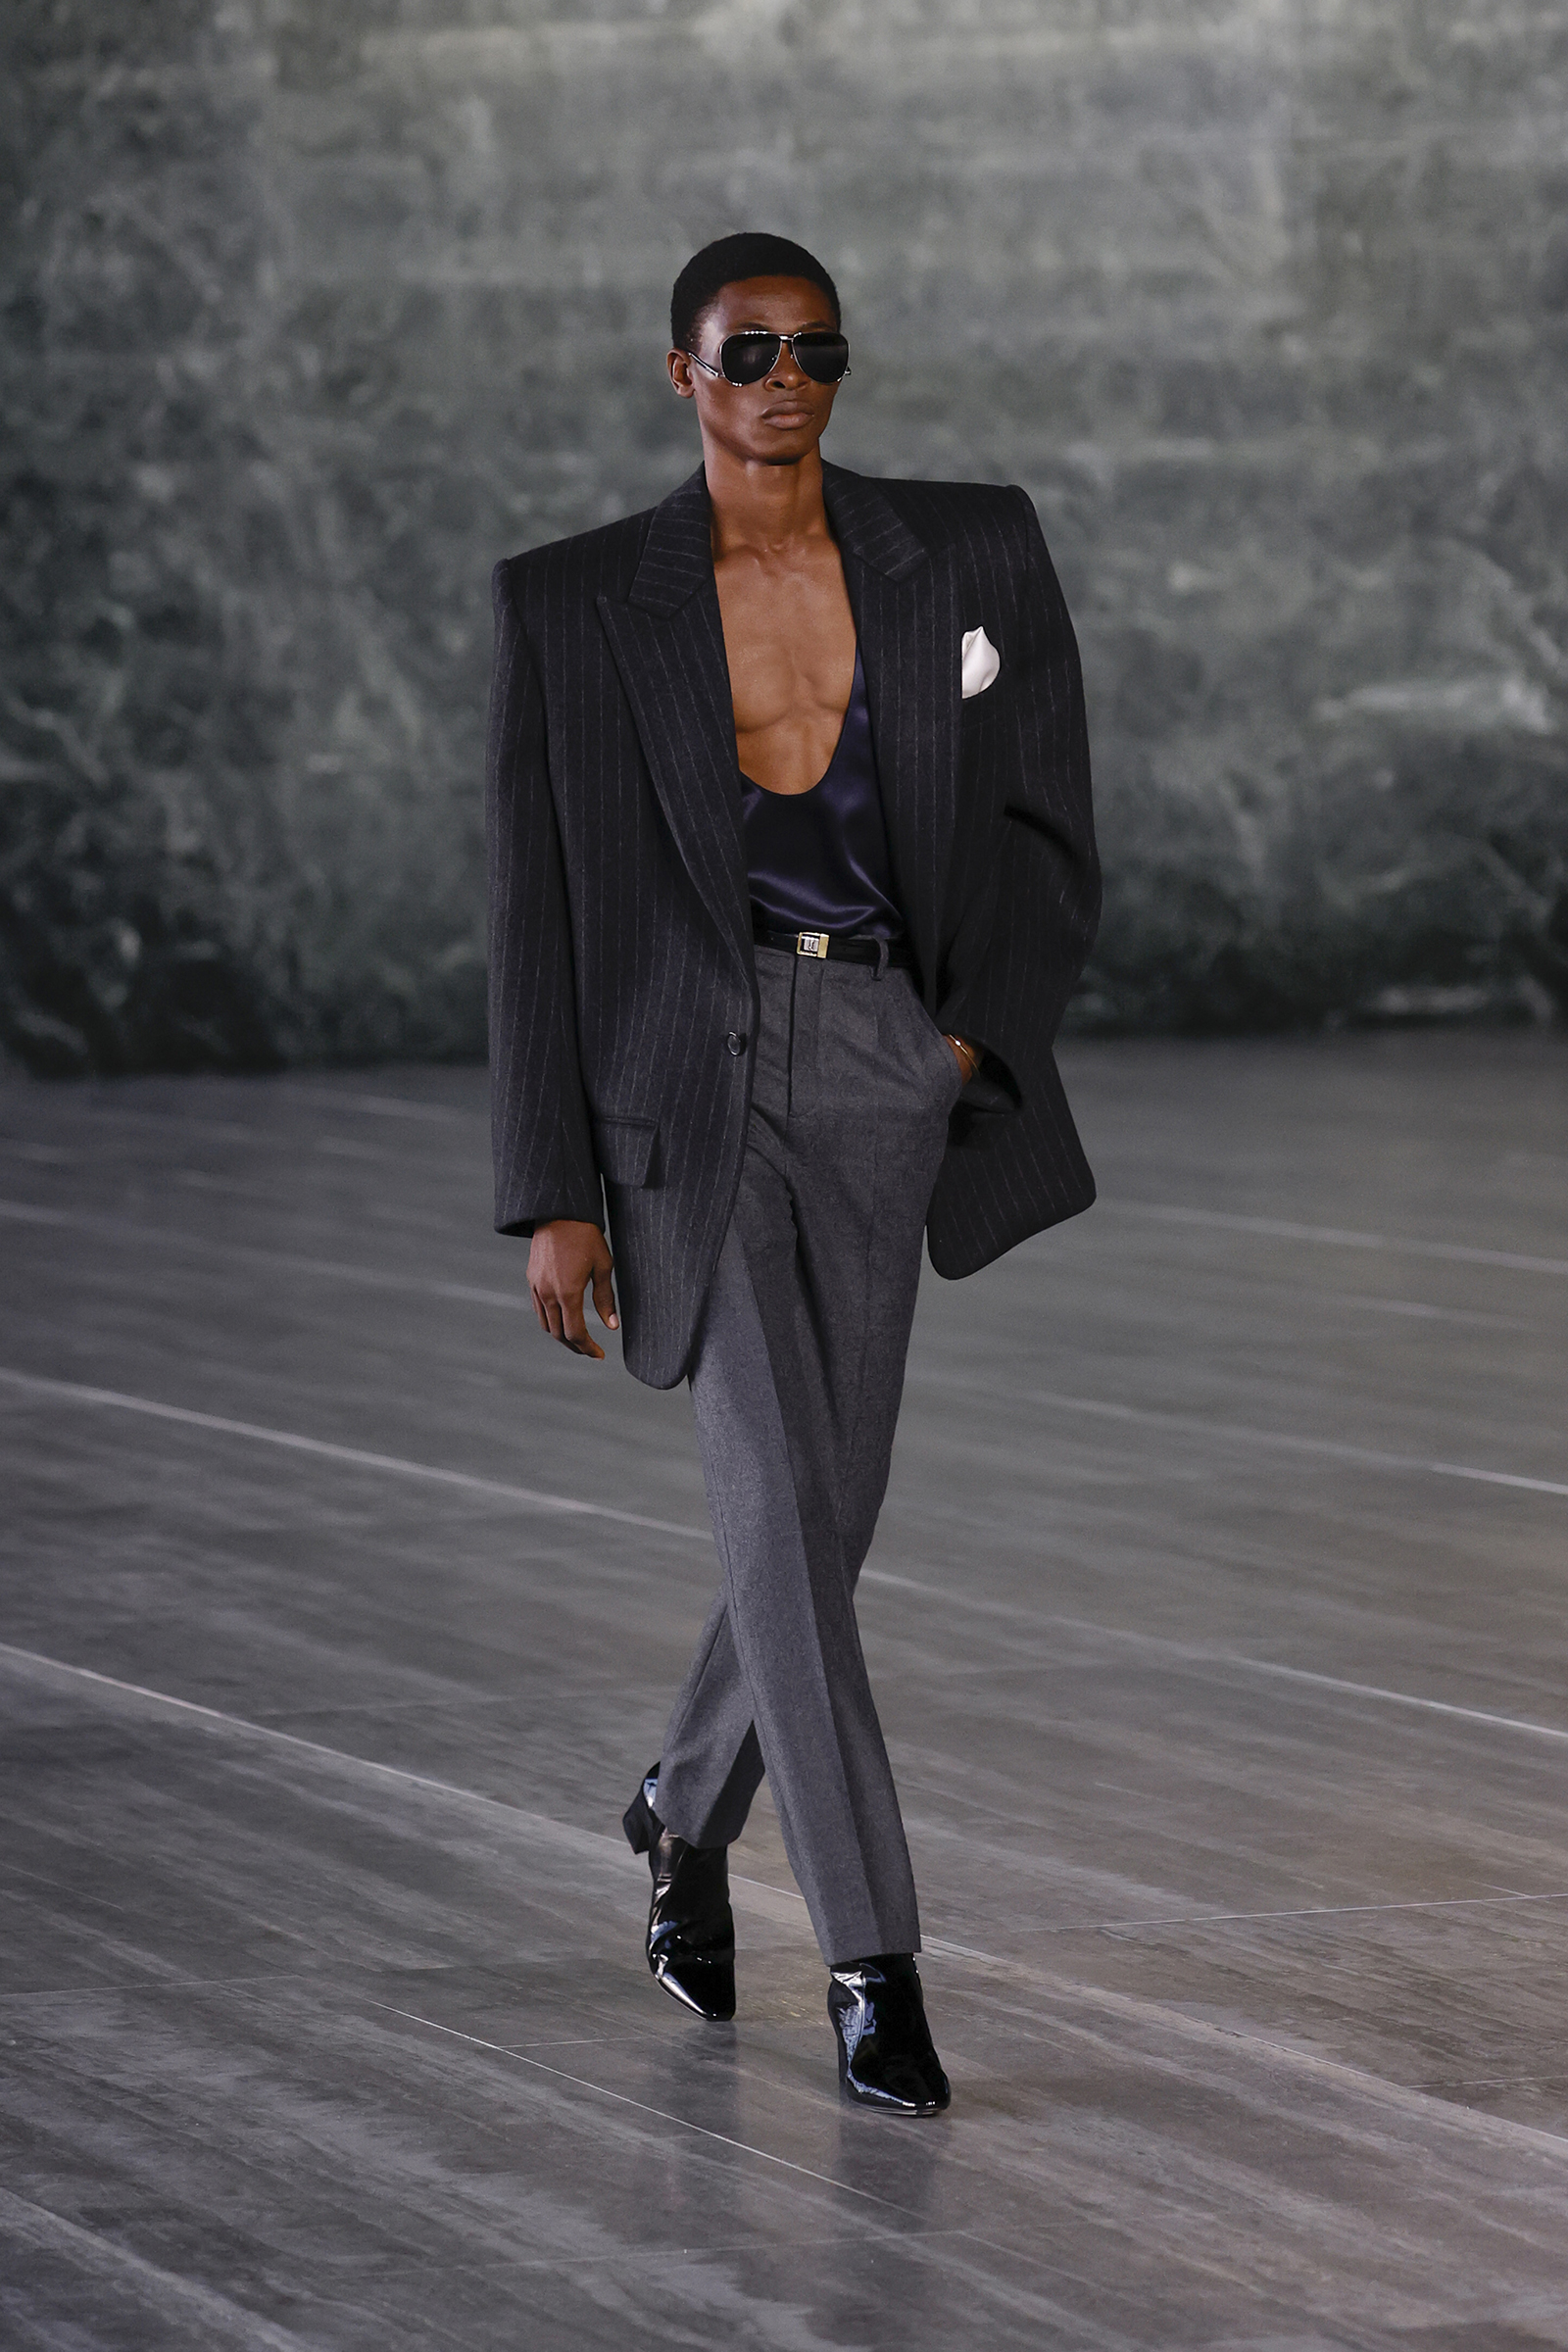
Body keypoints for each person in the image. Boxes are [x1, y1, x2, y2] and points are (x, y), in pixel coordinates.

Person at [486, 231, 1099, 2115]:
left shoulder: (968, 552)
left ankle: (683, 1807)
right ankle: (870, 1962)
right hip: (685, 1083)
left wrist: (964, 1046)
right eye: (748, 351)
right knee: (771, 1492)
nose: (785, 380)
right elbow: (535, 910)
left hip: (885, 1053)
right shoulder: (576, 603)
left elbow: (1049, 826)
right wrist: (554, 1188)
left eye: (816, 350)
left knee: (832, 1511)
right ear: (681, 372)